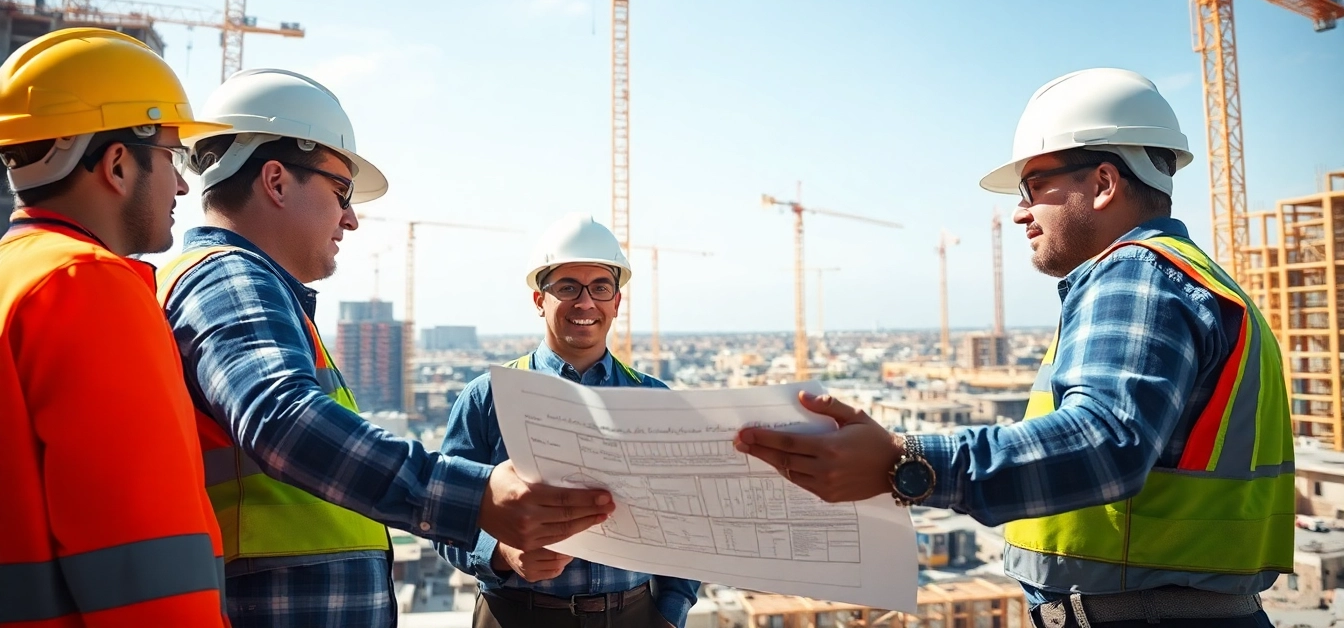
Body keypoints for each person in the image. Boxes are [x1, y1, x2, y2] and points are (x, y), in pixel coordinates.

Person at [735, 68, 1293, 628]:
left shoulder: (1134, 273)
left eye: (1033, 187)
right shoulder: (1201, 282)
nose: (1020, 212)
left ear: (1103, 183)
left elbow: (1107, 441)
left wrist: (905, 464)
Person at [158, 70, 614, 627]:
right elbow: (282, 418)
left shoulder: (250, 288)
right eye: (340, 191)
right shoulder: (229, 278)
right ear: (276, 181)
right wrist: (474, 497)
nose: (349, 218)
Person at [0, 28, 231, 625]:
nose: (183, 184)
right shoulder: (86, 287)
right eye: (172, 158)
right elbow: (145, 564)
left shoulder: (16, 278)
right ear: (119, 164)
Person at [438, 213, 700, 628]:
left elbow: (688, 522)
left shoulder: (654, 402)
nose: (585, 302)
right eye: (568, 288)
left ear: (617, 301)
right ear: (540, 300)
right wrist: (502, 553)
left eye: (600, 287)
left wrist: (669, 613)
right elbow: (445, 516)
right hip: (517, 615)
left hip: (634, 615)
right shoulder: (488, 396)